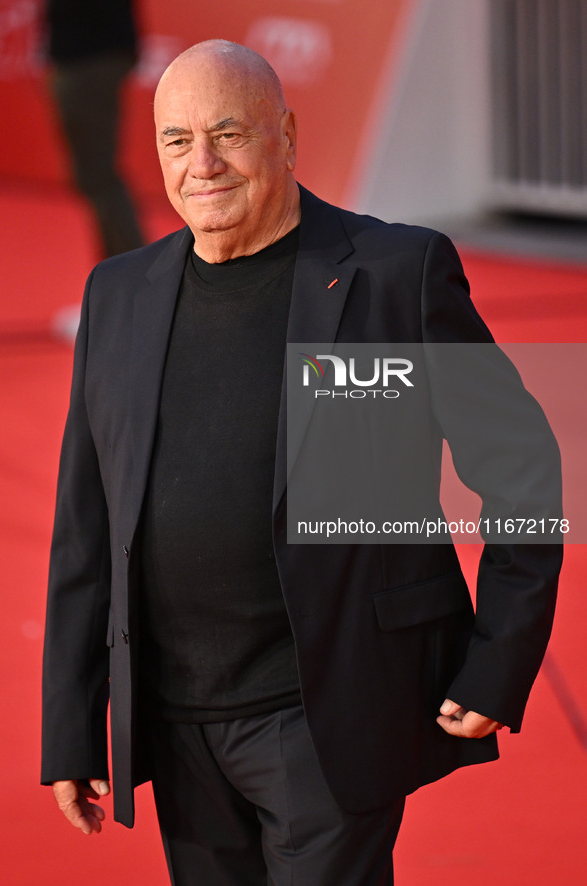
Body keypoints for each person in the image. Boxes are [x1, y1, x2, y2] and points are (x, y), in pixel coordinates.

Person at [41, 40, 563, 886]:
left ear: (285, 133)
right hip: (177, 730)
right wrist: (72, 722)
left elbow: (523, 467)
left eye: (227, 134)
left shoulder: (396, 273)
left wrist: (497, 656)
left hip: (327, 717)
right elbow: (86, 527)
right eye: (176, 140)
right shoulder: (118, 294)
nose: (201, 164)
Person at [45, 0, 145, 259]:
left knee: (98, 175)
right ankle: (120, 266)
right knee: (93, 175)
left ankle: (137, 266)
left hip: (88, 58)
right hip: (88, 55)